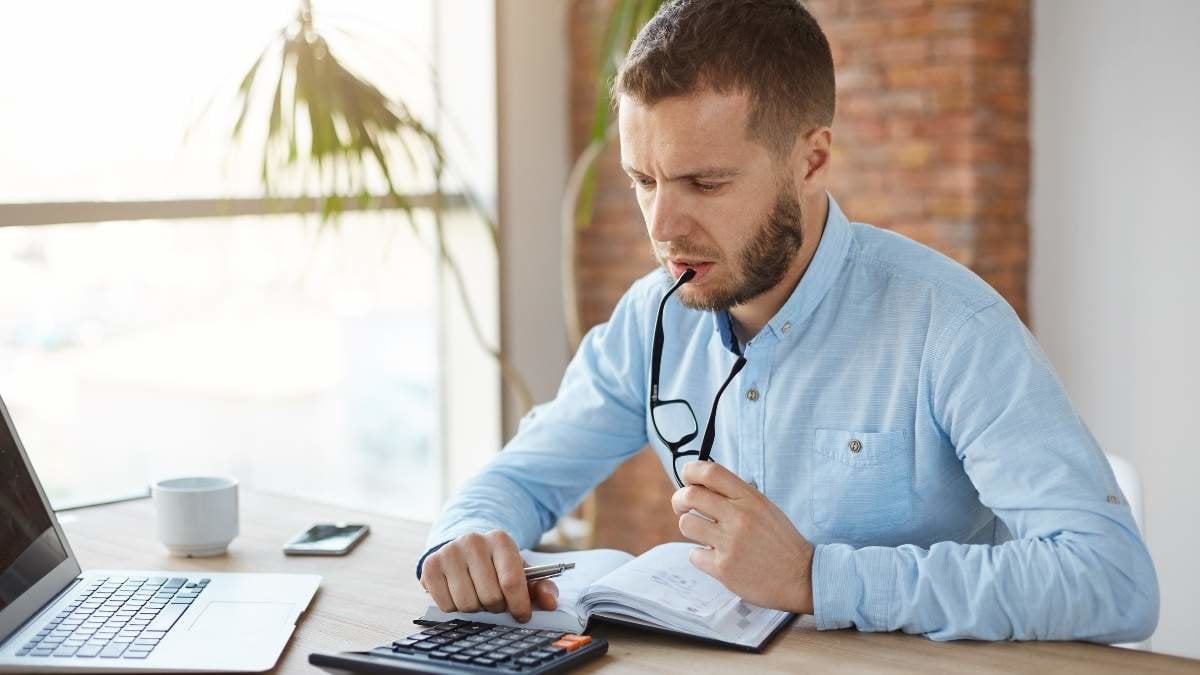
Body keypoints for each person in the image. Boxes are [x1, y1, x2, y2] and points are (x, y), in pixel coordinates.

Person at [416, 0, 1158, 642]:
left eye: (705, 182)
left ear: (811, 161)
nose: (663, 224)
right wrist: (466, 540)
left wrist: (817, 577)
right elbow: (515, 480)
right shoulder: (652, 319)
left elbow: (1112, 577)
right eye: (643, 181)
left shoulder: (951, 325)